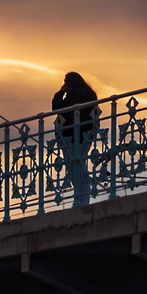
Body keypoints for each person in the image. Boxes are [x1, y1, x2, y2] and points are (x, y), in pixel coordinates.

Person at [52, 72, 99, 207]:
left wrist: (60, 92)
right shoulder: (89, 94)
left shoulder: (73, 95)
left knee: (74, 168)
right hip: (86, 136)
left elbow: (57, 107)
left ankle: (81, 201)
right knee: (79, 165)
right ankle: (81, 200)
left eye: (66, 82)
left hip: (71, 137)